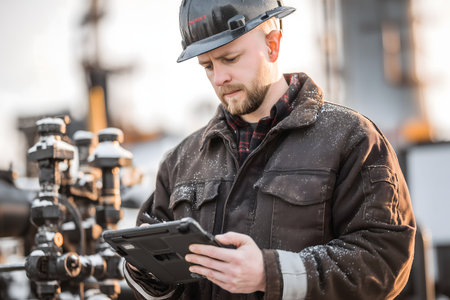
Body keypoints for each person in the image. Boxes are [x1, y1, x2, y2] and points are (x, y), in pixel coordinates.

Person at [124, 0, 416, 299]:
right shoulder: (181, 160)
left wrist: (271, 273)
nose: (218, 78)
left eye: (231, 58)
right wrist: (145, 274)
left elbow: (383, 263)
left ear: (273, 45)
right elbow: (157, 282)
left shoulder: (352, 139)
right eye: (207, 66)